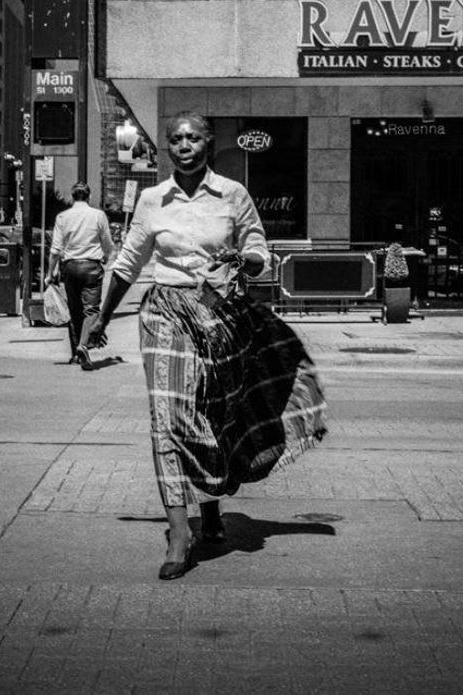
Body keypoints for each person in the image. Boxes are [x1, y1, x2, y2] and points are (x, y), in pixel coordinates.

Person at [85, 111, 327, 580]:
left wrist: (248, 260)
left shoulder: (232, 194)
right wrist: (101, 316)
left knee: (214, 413)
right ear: (167, 147)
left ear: (208, 144)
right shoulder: (153, 200)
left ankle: (211, 505)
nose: (183, 145)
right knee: (169, 415)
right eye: (175, 139)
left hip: (219, 315)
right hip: (166, 313)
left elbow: (259, 247)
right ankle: (179, 532)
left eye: (192, 137)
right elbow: (130, 260)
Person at [46, 181, 115, 369]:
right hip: (92, 267)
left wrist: (49, 273)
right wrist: (108, 258)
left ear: (72, 196)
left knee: (75, 311)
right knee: (91, 310)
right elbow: (108, 244)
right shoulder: (98, 215)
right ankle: (83, 346)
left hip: (69, 267)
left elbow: (55, 249)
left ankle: (75, 353)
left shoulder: (62, 217)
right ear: (89, 196)